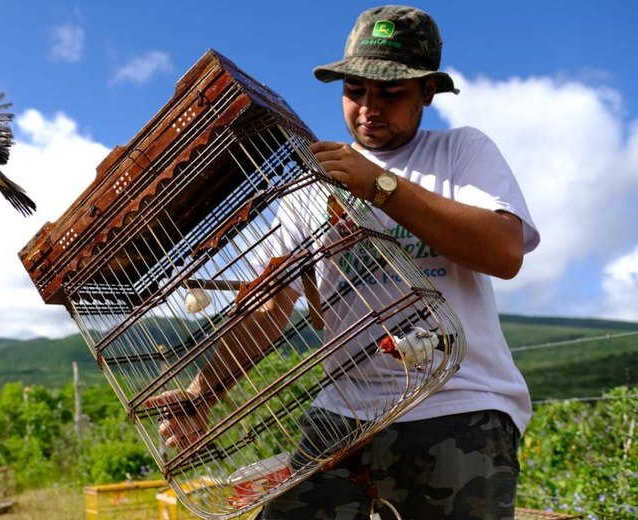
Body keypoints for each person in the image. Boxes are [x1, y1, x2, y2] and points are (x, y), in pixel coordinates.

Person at [150, 5, 540, 519]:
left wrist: (380, 187)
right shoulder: (309, 185)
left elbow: (503, 251)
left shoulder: (460, 152)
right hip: (344, 413)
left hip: (459, 404)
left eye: (390, 93)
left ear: (427, 91)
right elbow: (272, 307)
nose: (368, 107)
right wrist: (203, 394)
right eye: (355, 90)